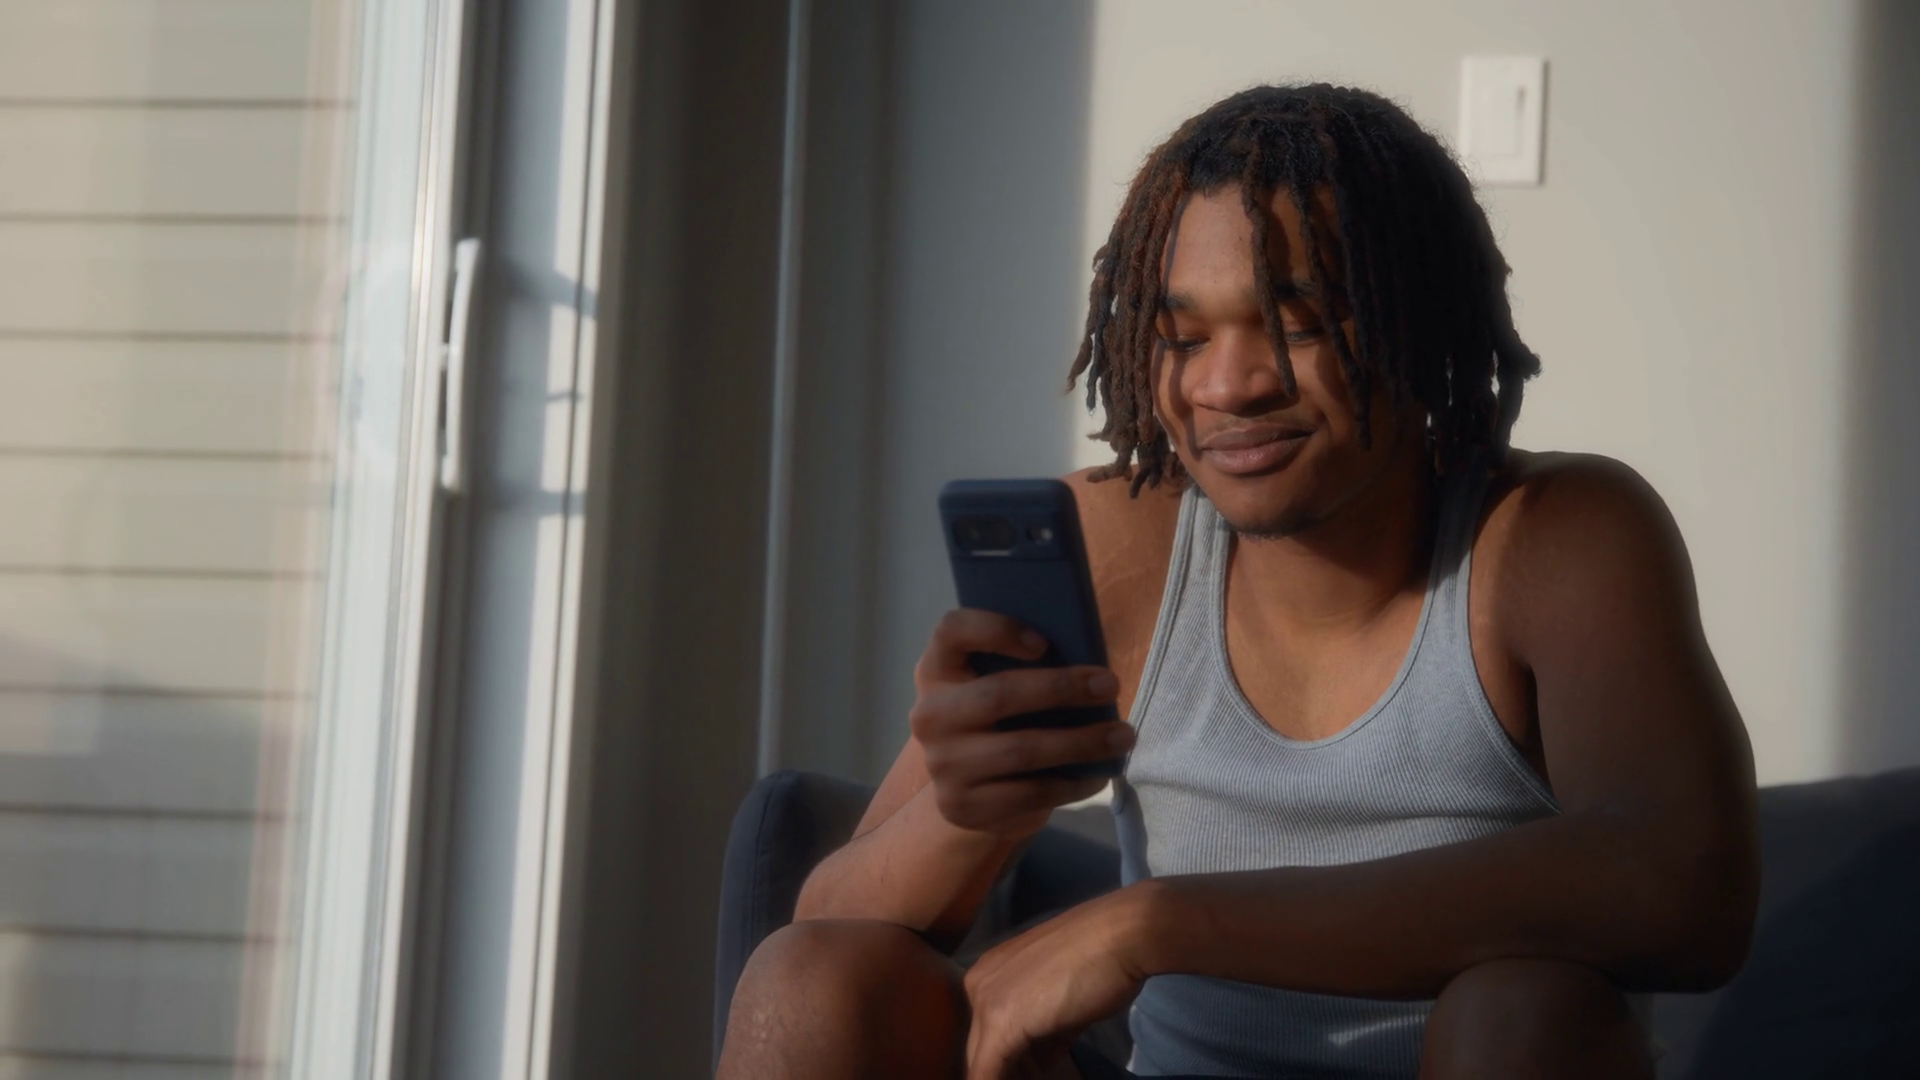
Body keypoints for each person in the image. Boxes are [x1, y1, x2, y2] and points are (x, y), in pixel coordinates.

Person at [717, 83, 1760, 1080]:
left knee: (1524, 1008)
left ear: (1418, 321)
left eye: (1298, 324)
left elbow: (1686, 887)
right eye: (1182, 336)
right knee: (808, 981)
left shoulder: (1550, 536)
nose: (1229, 384)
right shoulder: (1119, 542)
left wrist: (1157, 925)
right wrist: (971, 807)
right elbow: (821, 938)